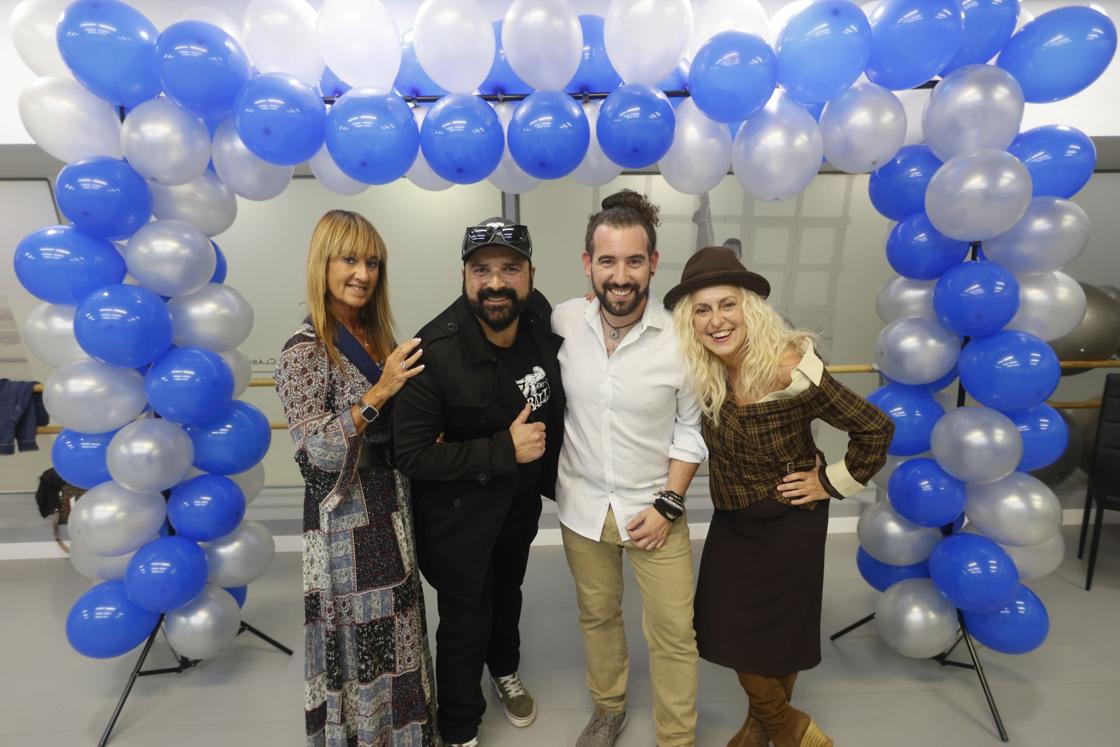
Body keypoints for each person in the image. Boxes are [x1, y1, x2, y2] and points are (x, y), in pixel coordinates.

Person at [665, 247, 894, 747]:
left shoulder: (791, 366)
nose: (717, 320)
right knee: (722, 626)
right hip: (735, 521)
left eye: (727, 304)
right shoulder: (700, 368)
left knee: (780, 635)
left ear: (749, 307)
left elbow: (875, 428)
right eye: (702, 310)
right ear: (690, 322)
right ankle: (788, 726)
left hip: (793, 521)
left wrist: (830, 482)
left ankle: (761, 728)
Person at [393, 221, 565, 747]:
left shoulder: (537, 318)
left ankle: (504, 670)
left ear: (530, 275)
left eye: (510, 269)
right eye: (481, 269)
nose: (495, 283)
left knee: (508, 594)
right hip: (458, 517)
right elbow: (410, 454)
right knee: (466, 619)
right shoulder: (432, 352)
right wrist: (503, 449)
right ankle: (459, 727)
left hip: (517, 505)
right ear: (464, 276)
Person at [552, 190, 708, 747]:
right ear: (588, 263)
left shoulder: (681, 340)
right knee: (597, 616)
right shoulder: (564, 320)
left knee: (673, 632)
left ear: (653, 263)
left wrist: (669, 503)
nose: (620, 276)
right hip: (583, 507)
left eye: (634, 261)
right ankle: (609, 708)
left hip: (655, 509)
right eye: (608, 261)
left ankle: (677, 737)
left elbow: (691, 429)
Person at [275, 210, 435, 746]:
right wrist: (379, 393)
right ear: (322, 264)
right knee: (363, 644)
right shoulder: (304, 349)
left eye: (372, 262)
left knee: (401, 628)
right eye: (349, 259)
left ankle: (408, 734)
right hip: (344, 522)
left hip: (392, 507)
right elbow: (316, 452)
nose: (362, 274)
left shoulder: (377, 337)